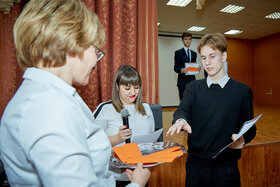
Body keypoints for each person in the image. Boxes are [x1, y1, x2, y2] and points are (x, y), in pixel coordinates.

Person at [0, 0, 150, 187]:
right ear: (73, 45)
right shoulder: (48, 108)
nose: (96, 61)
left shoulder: (51, 97)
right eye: (96, 50)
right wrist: (137, 184)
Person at [166, 33, 256, 187]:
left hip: (226, 169)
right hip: (196, 167)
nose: (207, 62)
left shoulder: (242, 91)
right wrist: (180, 120)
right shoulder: (192, 88)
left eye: (212, 56)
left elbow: (250, 127)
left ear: (224, 56)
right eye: (203, 57)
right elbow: (182, 111)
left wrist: (243, 138)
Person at [93, 65, 155, 186]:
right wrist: (117, 138)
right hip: (114, 178)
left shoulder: (146, 108)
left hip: (139, 175)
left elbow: (152, 138)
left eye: (136, 88)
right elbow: (91, 143)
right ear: (117, 86)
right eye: (127, 88)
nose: (133, 93)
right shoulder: (105, 108)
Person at [174, 32, 200, 100]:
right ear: (182, 40)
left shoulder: (194, 54)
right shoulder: (178, 53)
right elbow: (175, 68)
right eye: (186, 39)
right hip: (182, 82)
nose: (188, 41)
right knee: (183, 101)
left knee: (192, 101)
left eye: (189, 39)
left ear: (191, 40)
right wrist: (181, 70)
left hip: (192, 82)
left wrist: (197, 69)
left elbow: (193, 67)